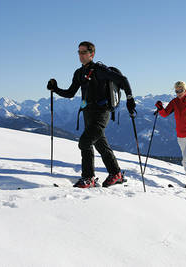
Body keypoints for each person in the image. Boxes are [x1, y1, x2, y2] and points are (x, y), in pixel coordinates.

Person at [47, 41, 136, 188]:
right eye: (79, 52)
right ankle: (116, 173)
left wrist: (130, 99)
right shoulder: (79, 73)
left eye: (84, 52)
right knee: (101, 144)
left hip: (102, 113)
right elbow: (70, 93)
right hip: (87, 113)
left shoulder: (100, 70)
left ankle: (88, 178)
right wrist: (55, 89)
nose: (81, 55)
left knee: (85, 142)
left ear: (91, 54)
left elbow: (122, 80)